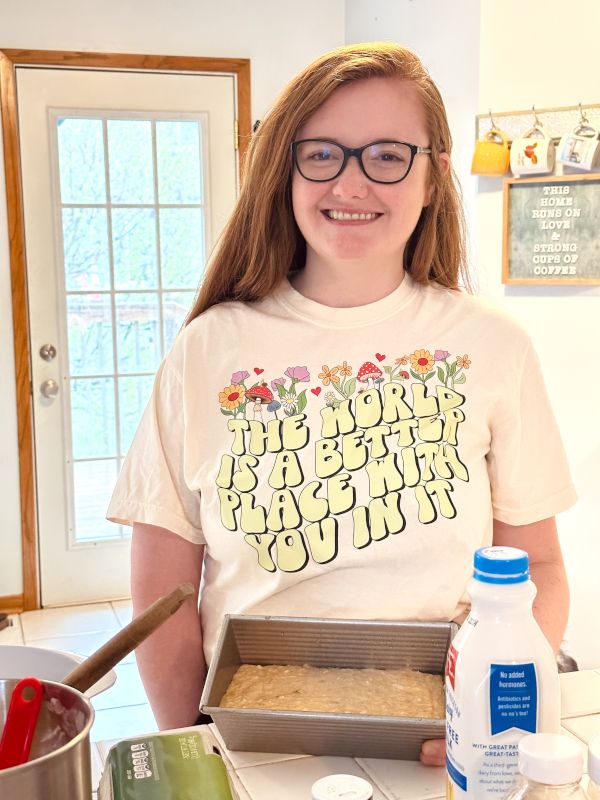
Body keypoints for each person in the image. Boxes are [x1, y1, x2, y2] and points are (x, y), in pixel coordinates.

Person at [107, 42, 576, 766]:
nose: (351, 183)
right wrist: (200, 746)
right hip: (255, 745)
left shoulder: (493, 346)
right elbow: (163, 591)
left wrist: (490, 712)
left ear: (432, 178)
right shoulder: (207, 350)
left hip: (442, 739)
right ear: (286, 172)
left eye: (387, 155)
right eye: (321, 154)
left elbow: (538, 567)